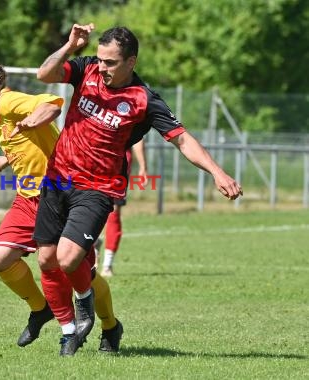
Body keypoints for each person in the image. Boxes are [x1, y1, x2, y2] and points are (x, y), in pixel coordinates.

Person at [23, 24, 242, 355]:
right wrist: (69, 46)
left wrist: (216, 171)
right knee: (48, 259)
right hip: (57, 178)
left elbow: (182, 139)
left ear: (131, 61)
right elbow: (45, 74)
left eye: (111, 62)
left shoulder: (144, 100)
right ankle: (90, 325)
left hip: (96, 188)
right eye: (100, 60)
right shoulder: (86, 70)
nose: (103, 68)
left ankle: (84, 306)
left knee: (68, 260)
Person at [0, 60, 123, 355]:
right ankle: (42, 309)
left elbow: (51, 103)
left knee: (78, 273)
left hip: (60, 196)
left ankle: (110, 325)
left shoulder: (9, 101)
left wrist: (38, 117)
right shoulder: (2, 116)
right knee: (0, 257)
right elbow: (28, 142)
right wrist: (6, 158)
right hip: (28, 199)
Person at [100, 139, 147, 277]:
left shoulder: (131, 117)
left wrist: (143, 166)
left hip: (118, 167)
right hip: (93, 162)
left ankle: (107, 265)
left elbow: (138, 139)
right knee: (86, 209)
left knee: (114, 213)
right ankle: (93, 245)